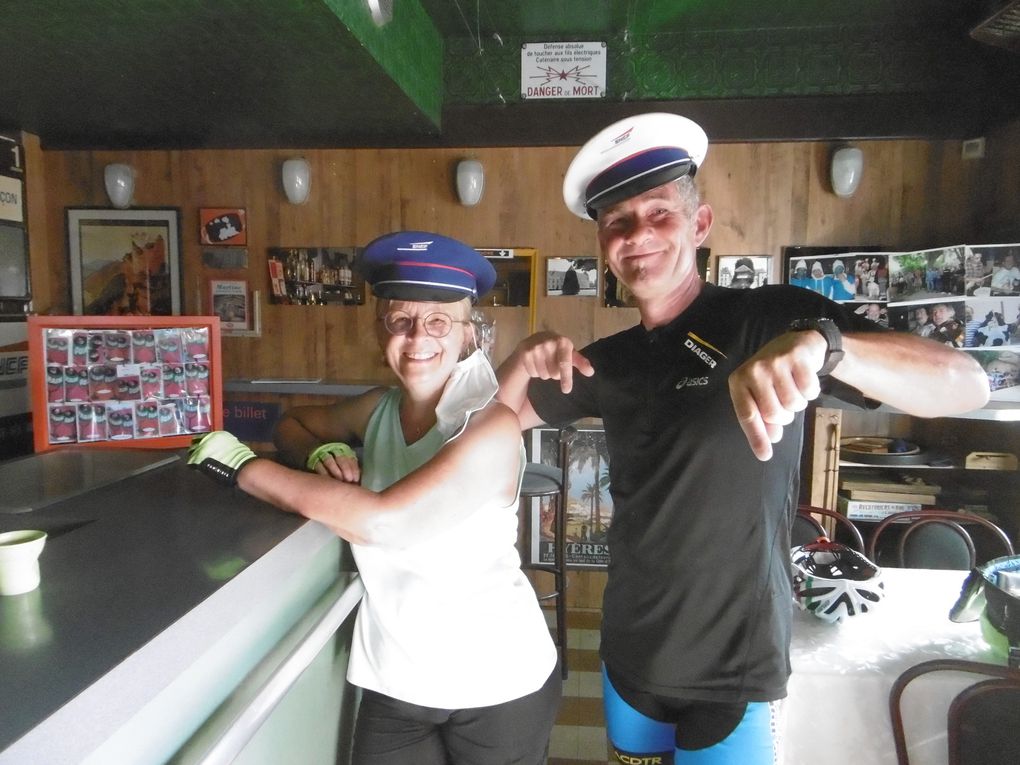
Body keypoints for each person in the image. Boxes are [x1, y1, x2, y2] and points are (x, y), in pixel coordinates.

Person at [494, 112, 990, 764]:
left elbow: (968, 384)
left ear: (699, 226)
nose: (637, 233)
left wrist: (828, 347)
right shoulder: (607, 361)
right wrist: (519, 360)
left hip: (733, 671)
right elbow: (496, 422)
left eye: (659, 212)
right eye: (617, 221)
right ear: (605, 247)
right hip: (629, 657)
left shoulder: (772, 320)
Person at [187, 231, 560, 764]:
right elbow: (291, 423)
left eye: (437, 321)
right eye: (400, 320)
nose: (417, 338)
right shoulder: (376, 409)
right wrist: (321, 452)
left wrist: (247, 468)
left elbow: (386, 524)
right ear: (380, 328)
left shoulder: (490, 425)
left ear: (467, 335)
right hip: (398, 679)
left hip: (497, 683)